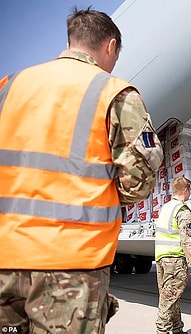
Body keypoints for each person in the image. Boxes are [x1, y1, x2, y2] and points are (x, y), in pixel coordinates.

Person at [0, 7, 163, 333]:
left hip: (5, 257)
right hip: (72, 260)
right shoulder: (114, 92)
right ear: (110, 46)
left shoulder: (9, 86)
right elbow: (141, 176)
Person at [155, 176, 191, 334]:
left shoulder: (166, 207)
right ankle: (162, 331)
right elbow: (186, 240)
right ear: (186, 191)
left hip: (161, 258)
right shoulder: (182, 210)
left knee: (172, 297)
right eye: (190, 190)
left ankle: (177, 329)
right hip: (174, 260)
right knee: (168, 300)